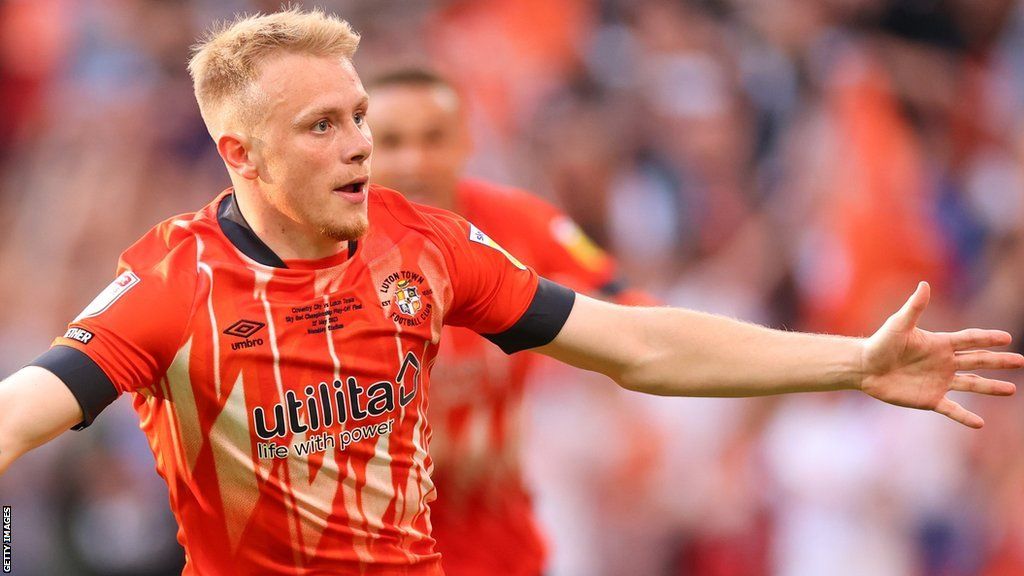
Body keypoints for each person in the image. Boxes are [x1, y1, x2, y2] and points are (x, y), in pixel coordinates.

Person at [0, 8, 1019, 576]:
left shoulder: (429, 248)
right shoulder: (170, 287)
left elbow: (640, 346)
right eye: (325, 127)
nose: (361, 145)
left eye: (358, 116)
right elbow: (18, 416)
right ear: (241, 154)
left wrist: (850, 362)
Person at [367, 67, 653, 576]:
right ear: (361, 148)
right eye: (392, 141)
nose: (415, 160)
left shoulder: (518, 221)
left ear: (465, 142)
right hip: (378, 546)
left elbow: (630, 307)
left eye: (434, 138)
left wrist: (629, 412)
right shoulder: (325, 251)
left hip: (502, 538)